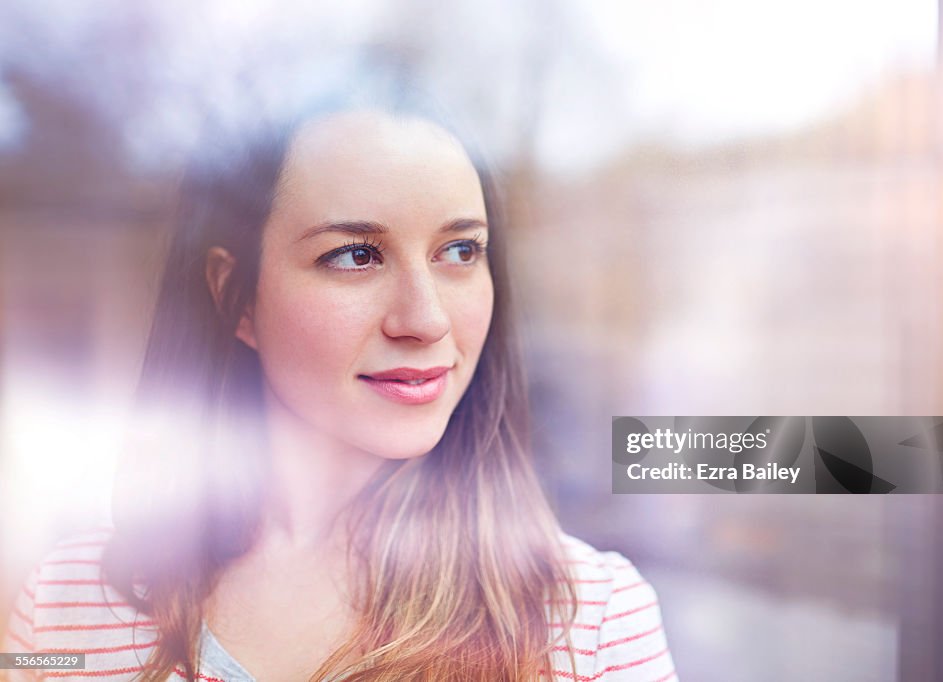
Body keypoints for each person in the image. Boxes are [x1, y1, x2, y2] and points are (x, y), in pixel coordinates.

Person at [2, 93, 676, 681]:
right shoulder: (65, 605)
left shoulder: (595, 624)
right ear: (235, 298)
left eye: (461, 251)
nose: (426, 319)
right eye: (356, 255)